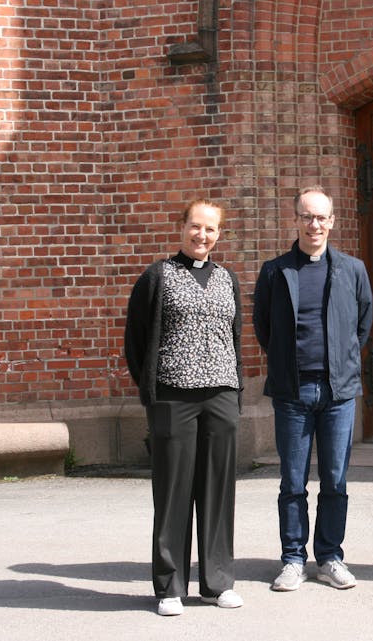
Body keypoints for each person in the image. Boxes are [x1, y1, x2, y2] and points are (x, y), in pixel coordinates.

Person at [124, 199, 244, 616]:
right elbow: (136, 342)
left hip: (221, 396)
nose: (202, 235)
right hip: (174, 396)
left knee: (217, 492)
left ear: (219, 235)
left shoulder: (228, 278)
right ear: (182, 227)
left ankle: (217, 582)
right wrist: (152, 392)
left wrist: (235, 390)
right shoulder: (157, 277)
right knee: (174, 492)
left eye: (211, 229)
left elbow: (234, 337)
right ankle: (169, 586)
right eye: (195, 226)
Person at [252, 185, 373, 592]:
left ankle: (330, 557)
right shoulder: (275, 271)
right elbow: (264, 328)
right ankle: (292, 559)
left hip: (337, 392)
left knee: (335, 480)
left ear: (332, 221)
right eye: (307, 216)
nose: (314, 224)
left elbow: (362, 324)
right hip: (293, 392)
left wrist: (341, 361)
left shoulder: (352, 269)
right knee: (292, 481)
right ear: (296, 220)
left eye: (322, 217)